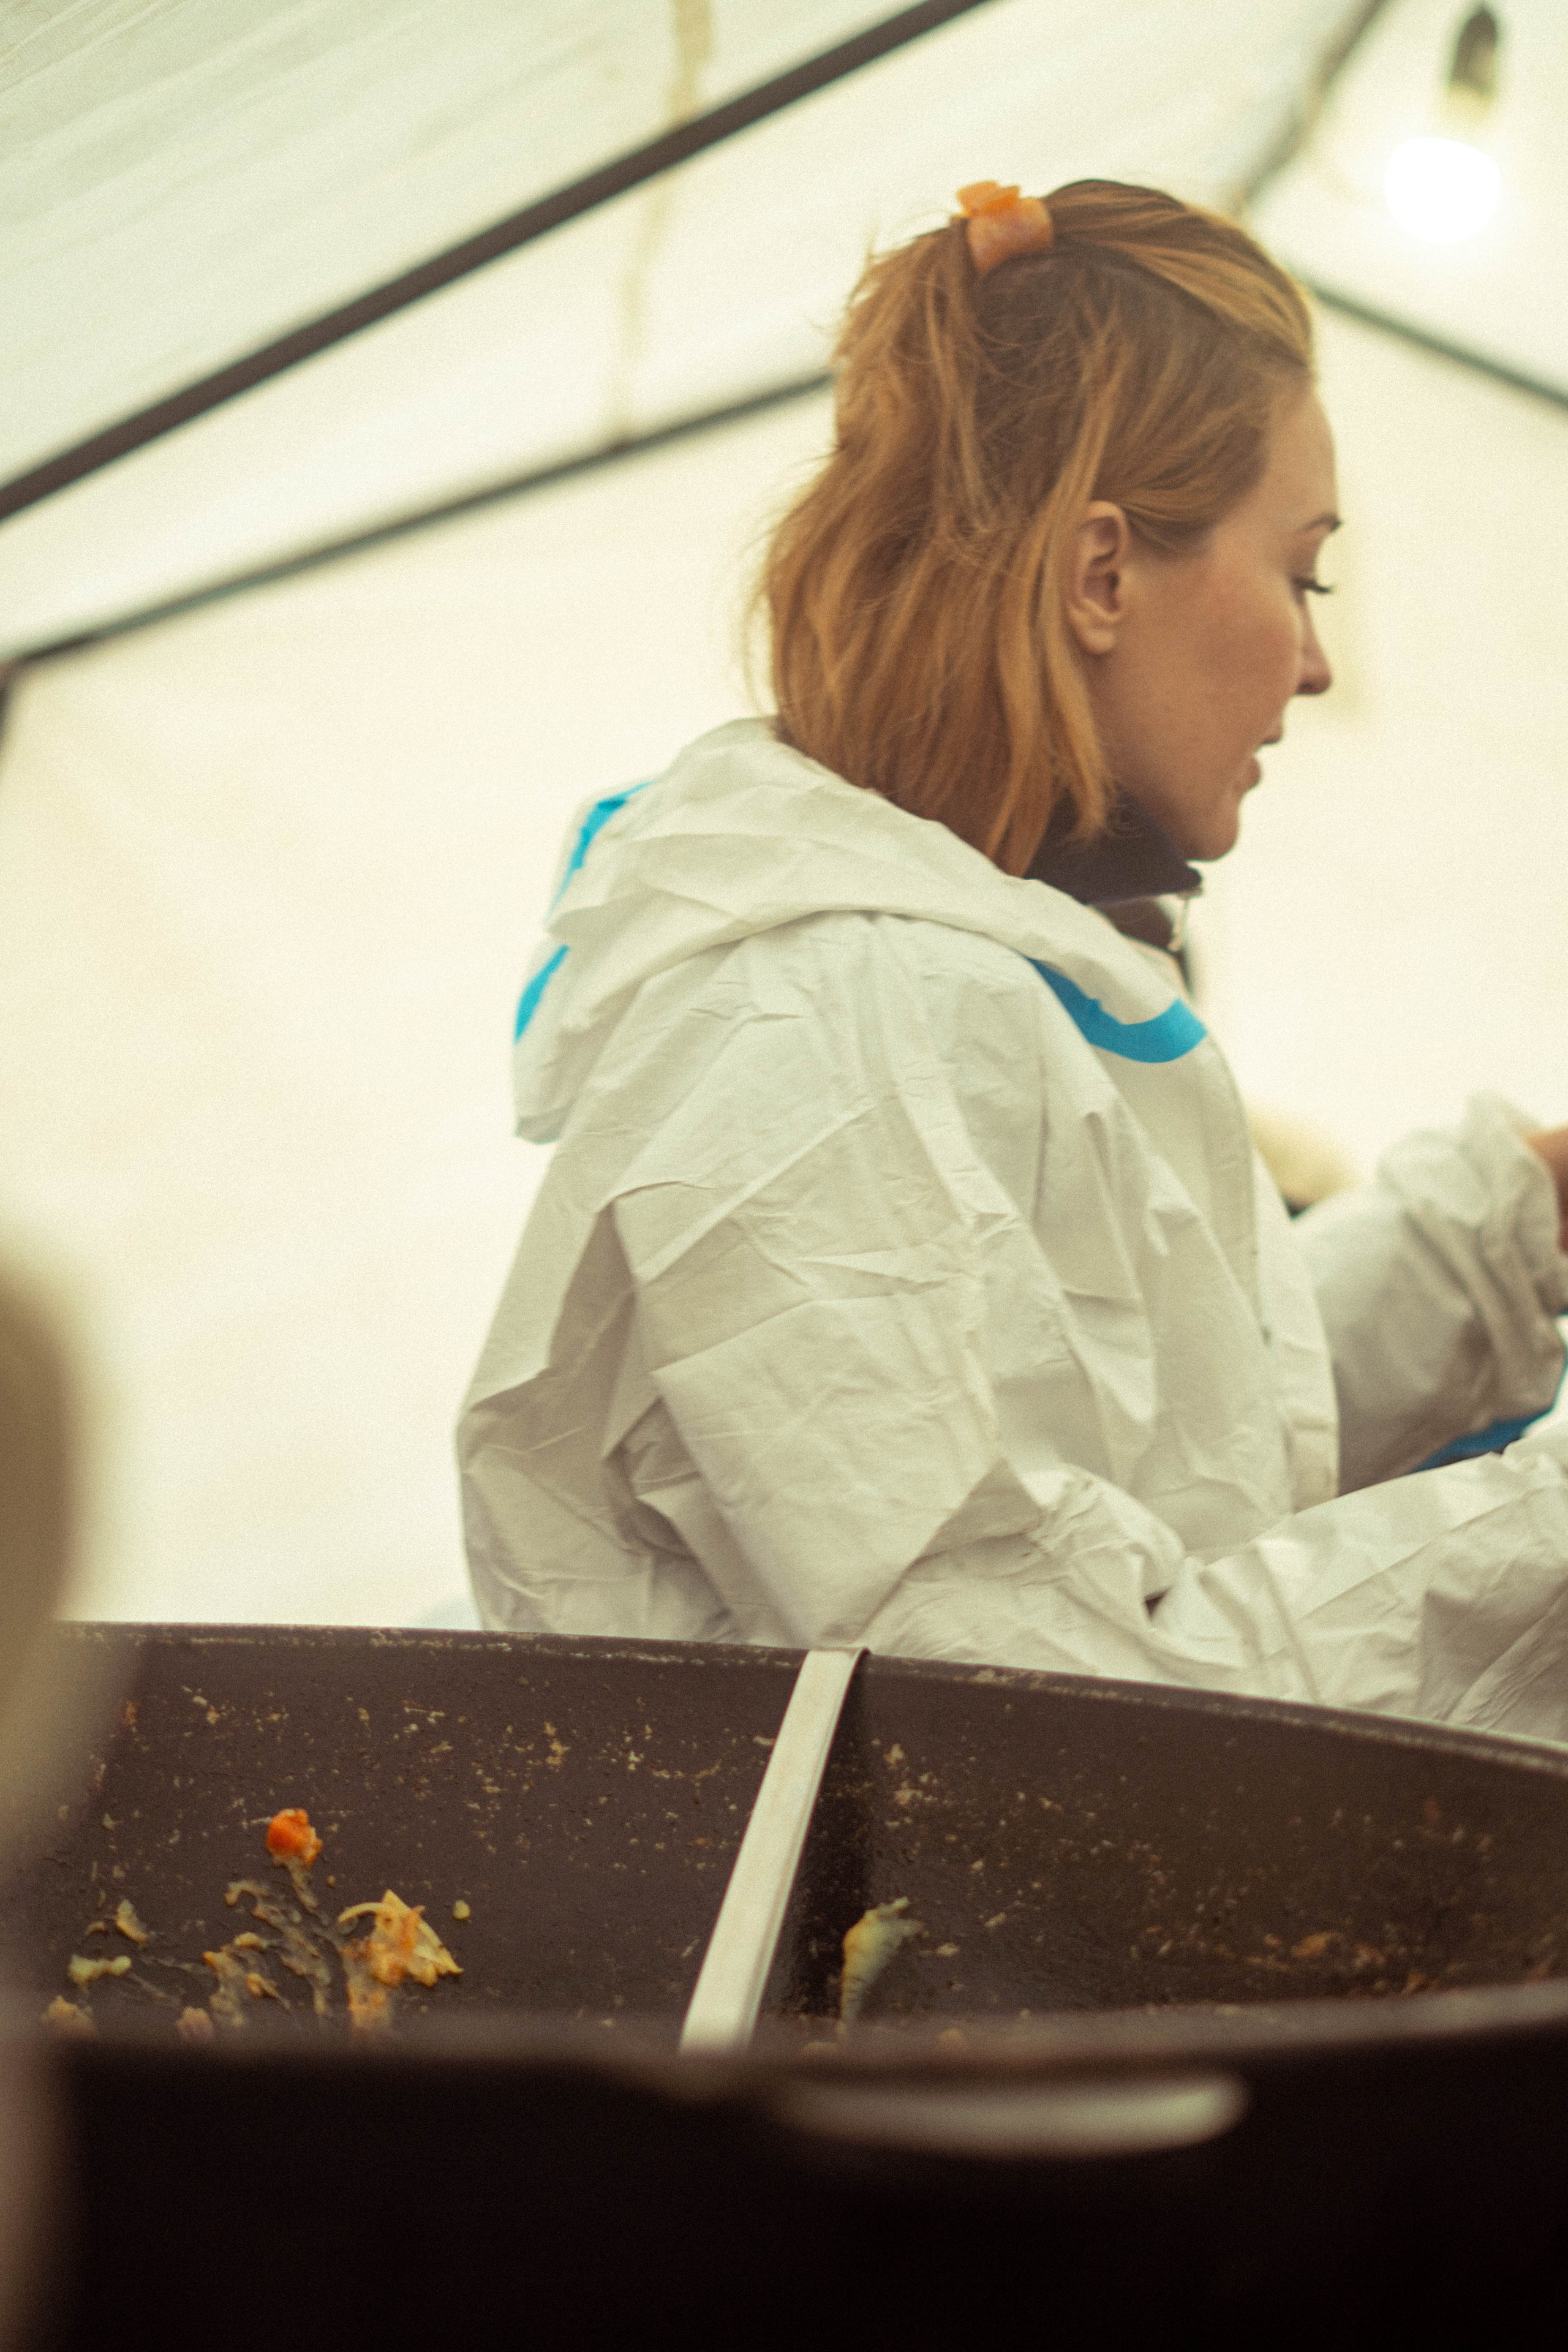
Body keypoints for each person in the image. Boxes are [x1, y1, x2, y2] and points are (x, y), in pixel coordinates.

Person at [458, 178, 1568, 1742]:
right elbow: (1047, 1715)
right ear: (1100, 573)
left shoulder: (934, 971)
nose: (1313, 663)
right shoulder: (820, 1027)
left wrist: (1518, 1211)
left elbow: (1165, 1444)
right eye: (1300, 571)